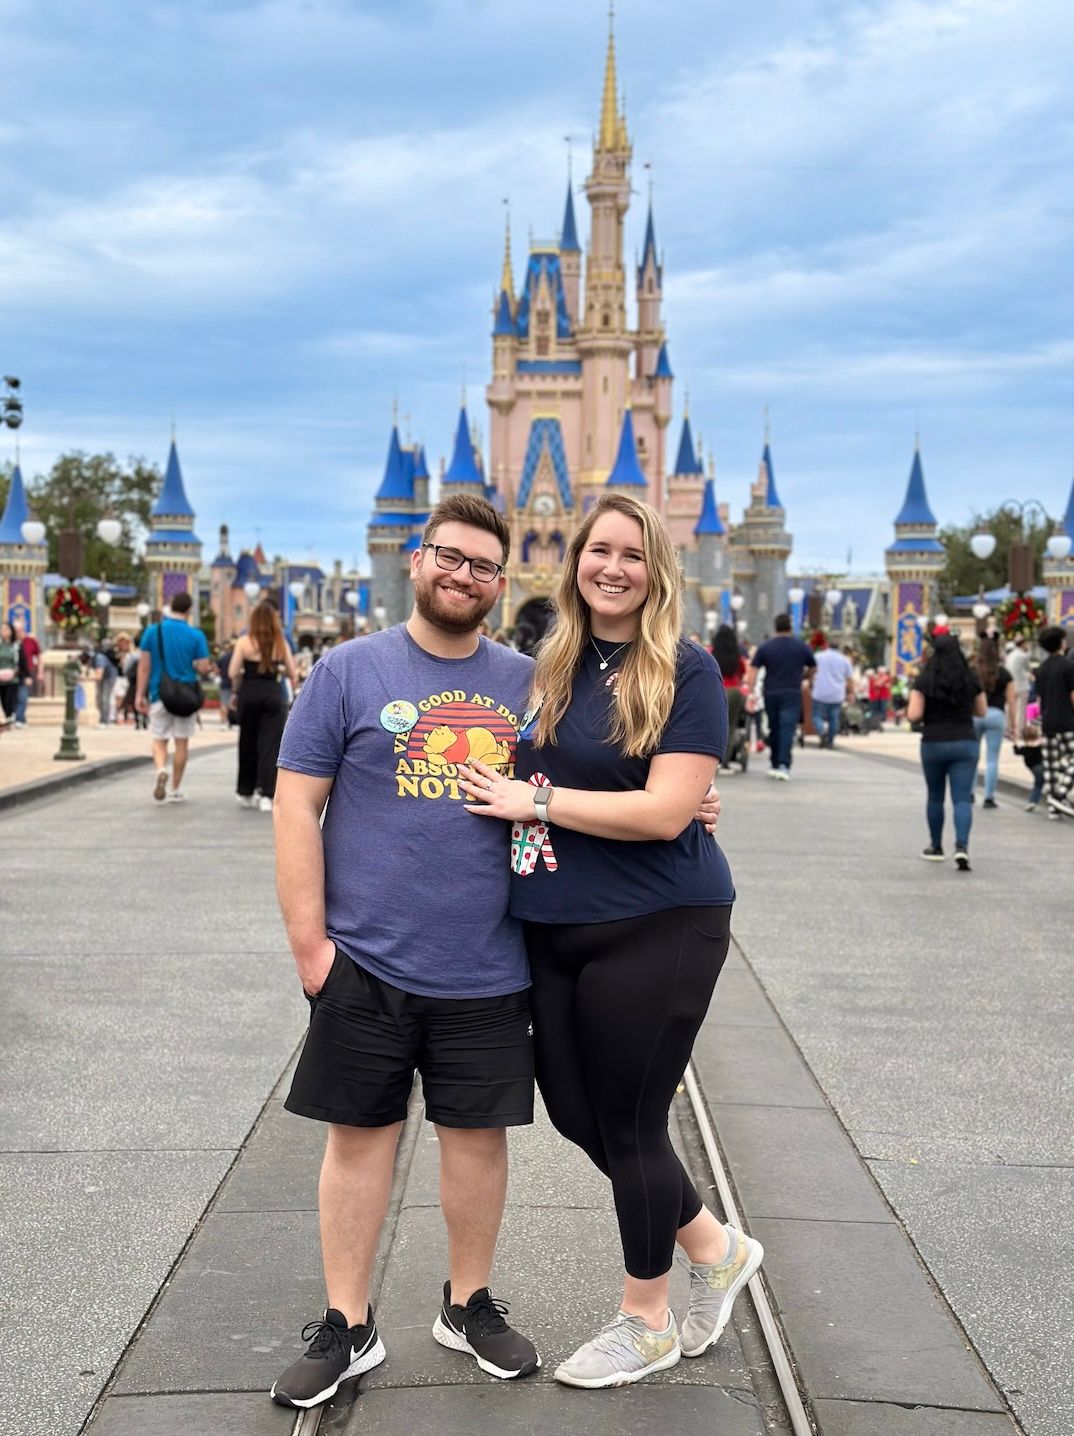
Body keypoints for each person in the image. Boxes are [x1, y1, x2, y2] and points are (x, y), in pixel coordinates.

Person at [458, 493, 761, 1391]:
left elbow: (669, 811)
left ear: (657, 569)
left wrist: (538, 801)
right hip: (552, 925)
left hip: (658, 922)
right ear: (574, 560)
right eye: (600, 551)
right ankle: (714, 1246)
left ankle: (646, 1319)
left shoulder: (685, 668)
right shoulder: (547, 664)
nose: (614, 568)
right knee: (578, 1115)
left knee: (631, 1124)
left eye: (634, 554)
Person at [270, 495, 542, 1409]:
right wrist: (312, 946)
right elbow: (294, 804)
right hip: (368, 960)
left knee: (477, 1139)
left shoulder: (532, 683)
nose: (464, 575)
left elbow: (598, 784)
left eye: (484, 566)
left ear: (501, 585)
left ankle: (466, 1305)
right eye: (450, 557)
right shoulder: (346, 671)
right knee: (359, 1140)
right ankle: (348, 1321)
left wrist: (695, 803)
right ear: (417, 561)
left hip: (490, 962)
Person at [906, 632, 986, 870]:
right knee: (962, 799)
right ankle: (961, 847)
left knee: (935, 796)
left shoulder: (924, 680)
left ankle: (936, 846)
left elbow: (914, 714)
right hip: (965, 742)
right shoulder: (970, 679)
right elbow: (981, 711)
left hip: (933, 742)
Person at [134, 591, 212, 803]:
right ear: (189, 610)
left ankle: (160, 769)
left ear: (170, 605)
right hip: (185, 696)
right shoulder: (196, 635)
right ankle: (175, 788)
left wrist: (139, 695)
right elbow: (204, 667)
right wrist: (195, 666)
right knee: (181, 744)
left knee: (159, 740)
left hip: (160, 693)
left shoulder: (153, 631)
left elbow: (144, 667)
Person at [229, 602, 297, 811]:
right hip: (272, 692)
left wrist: (236, 690)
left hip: (249, 692)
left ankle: (246, 790)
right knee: (271, 745)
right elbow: (293, 672)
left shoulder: (244, 641)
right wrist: (279, 671)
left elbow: (232, 672)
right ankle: (267, 793)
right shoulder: (280, 642)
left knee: (247, 741)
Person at [747, 614, 815, 779]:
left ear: (775, 627)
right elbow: (813, 666)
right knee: (787, 727)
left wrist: (751, 690)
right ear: (790, 627)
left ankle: (775, 762)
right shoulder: (800, 646)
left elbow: (753, 671)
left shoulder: (766, 647)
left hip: (771, 692)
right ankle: (784, 763)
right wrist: (806, 678)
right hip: (792, 692)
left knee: (774, 727)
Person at [1034, 625, 1074, 819]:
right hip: (1067, 720)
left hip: (1047, 720)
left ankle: (1053, 806)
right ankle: (1060, 793)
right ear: (1060, 643)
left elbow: (1040, 697)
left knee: (1051, 764)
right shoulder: (1068, 666)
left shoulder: (1041, 669)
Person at [971, 636, 1013, 808]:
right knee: (992, 759)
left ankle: (969, 793)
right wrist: (1014, 724)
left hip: (975, 715)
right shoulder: (1004, 673)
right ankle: (989, 797)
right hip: (996, 714)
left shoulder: (973, 671)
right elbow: (1011, 700)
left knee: (972, 757)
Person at [711, 623, 747, 769]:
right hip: (734, 691)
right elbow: (742, 674)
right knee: (730, 726)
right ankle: (724, 759)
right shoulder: (737, 657)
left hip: (716, 689)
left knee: (713, 725)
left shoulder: (711, 653)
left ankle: (713, 759)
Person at [810, 631, 852, 748]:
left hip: (820, 691)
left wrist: (811, 683)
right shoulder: (844, 660)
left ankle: (822, 731)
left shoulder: (818, 656)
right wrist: (851, 692)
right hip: (836, 693)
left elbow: (811, 671)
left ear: (827, 645)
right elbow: (849, 678)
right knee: (834, 718)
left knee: (816, 716)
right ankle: (831, 740)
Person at [12, 619, 39, 727]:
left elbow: (37, 656)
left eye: (20, 630)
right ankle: (21, 719)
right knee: (14, 697)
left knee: (23, 697)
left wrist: (35, 673)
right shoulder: (11, 643)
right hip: (12, 674)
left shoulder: (31, 641)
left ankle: (18, 718)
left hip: (26, 673)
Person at [0, 621, 28, 726]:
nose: (3, 632)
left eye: (6, 629)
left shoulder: (16, 645)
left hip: (13, 677)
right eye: (2, 629)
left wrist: (25, 675)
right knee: (3, 698)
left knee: (11, 697)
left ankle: (13, 717)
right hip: (0, 677)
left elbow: (22, 662)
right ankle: (8, 717)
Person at [1013, 721, 1044, 812]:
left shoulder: (1024, 748)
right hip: (1042, 765)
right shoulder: (1039, 746)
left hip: (1034, 768)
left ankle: (1032, 801)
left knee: (1038, 784)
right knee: (1041, 783)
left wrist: (1014, 743)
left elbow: (1016, 752)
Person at [1006, 634, 1032, 738]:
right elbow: (1028, 669)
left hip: (1012, 685)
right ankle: (1020, 731)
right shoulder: (1023, 655)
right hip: (1022, 685)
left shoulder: (1010, 655)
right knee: (1021, 710)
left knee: (1011, 708)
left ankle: (1009, 730)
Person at [93, 637, 119, 725]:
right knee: (103, 698)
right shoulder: (105, 655)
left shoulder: (100, 656)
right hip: (108, 677)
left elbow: (100, 671)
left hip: (108, 678)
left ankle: (104, 720)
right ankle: (103, 718)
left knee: (104, 698)